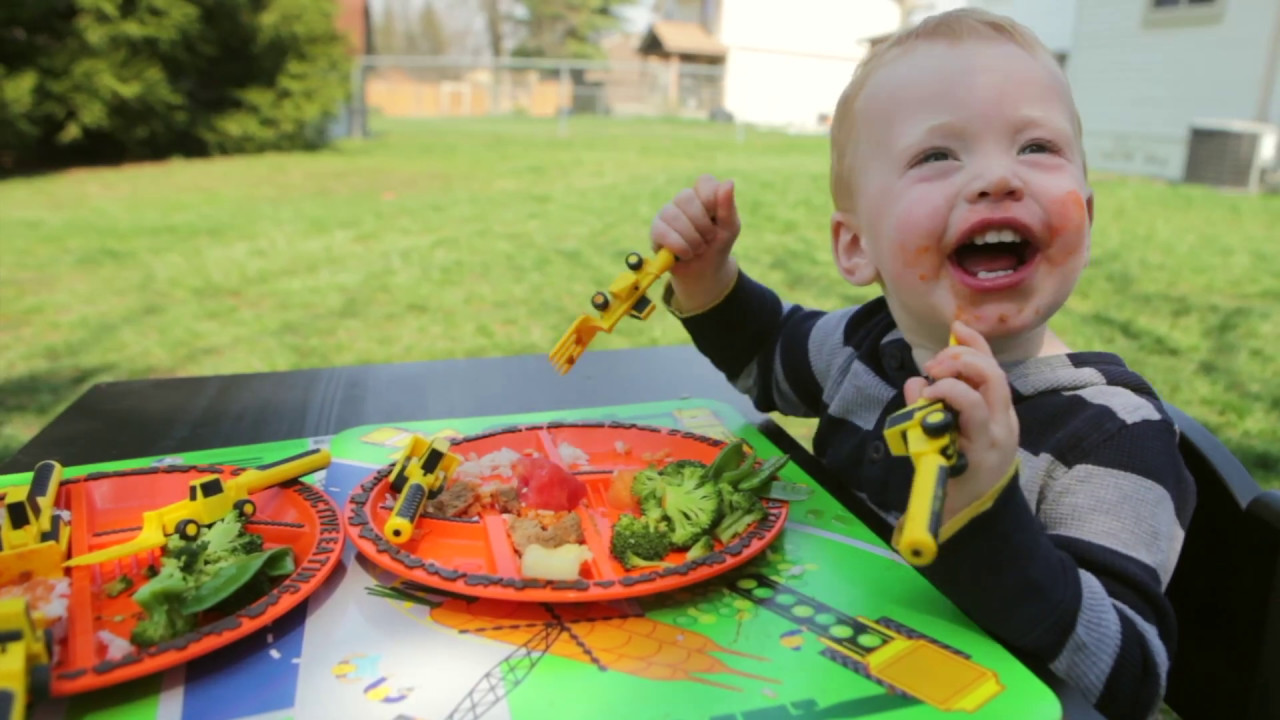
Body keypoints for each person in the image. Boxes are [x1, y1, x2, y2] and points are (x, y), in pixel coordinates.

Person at [647, 9, 1196, 720]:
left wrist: (985, 510)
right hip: (808, 669)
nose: (998, 178)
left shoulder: (1112, 438)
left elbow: (1127, 677)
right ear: (857, 247)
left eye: (1035, 146)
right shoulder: (867, 346)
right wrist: (708, 281)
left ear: (1085, 216)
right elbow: (767, 357)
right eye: (938, 156)